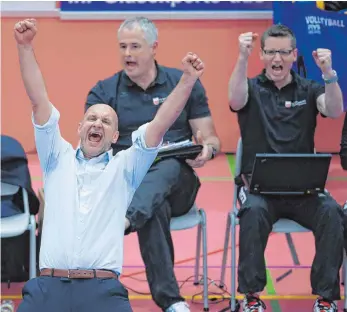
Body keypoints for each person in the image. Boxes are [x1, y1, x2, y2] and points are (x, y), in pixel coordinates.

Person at [14, 18, 205, 312]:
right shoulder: (56, 158)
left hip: (102, 291)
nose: (97, 123)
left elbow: (160, 123)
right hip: (47, 288)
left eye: (106, 121)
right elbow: (39, 100)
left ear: (115, 137)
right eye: (91, 118)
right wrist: (25, 47)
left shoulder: (125, 168)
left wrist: (188, 80)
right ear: (79, 127)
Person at [86, 17, 220, 312]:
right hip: (130, 183)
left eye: (135, 46)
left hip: (179, 183)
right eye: (122, 47)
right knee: (153, 206)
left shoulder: (182, 84)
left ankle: (124, 221)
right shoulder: (104, 92)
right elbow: (92, 147)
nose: (127, 54)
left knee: (168, 164)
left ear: (154, 47)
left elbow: (210, 136)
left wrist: (206, 150)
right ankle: (171, 301)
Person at [228, 24, 344, 312]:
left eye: (283, 52)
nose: (276, 59)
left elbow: (334, 110)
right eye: (270, 52)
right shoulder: (251, 88)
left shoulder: (309, 89)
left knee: (332, 212)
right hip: (259, 189)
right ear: (262, 55)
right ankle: (252, 296)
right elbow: (234, 100)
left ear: (294, 55)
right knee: (252, 213)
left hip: (303, 190)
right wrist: (241, 58)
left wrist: (329, 74)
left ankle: (326, 298)